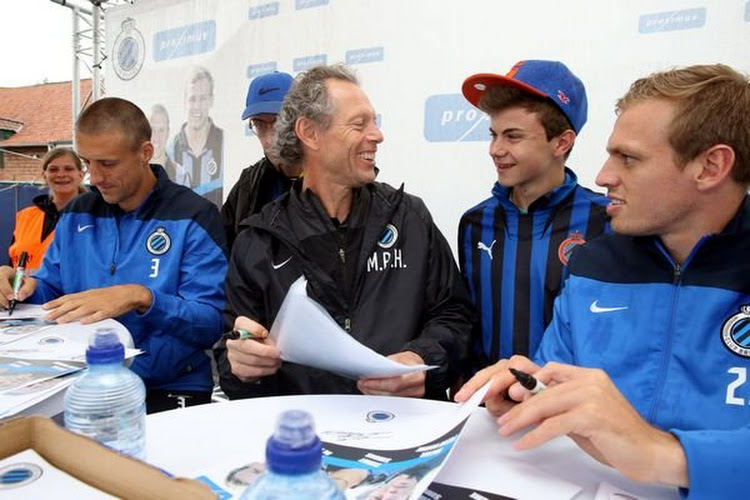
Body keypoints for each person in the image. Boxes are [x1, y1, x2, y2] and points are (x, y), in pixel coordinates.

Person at [455, 63, 750, 498]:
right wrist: (528, 392)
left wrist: (665, 454)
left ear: (710, 167)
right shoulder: (593, 265)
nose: (603, 176)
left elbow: (644, 448)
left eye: (628, 158)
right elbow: (555, 384)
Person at [215, 64, 472, 400]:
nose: (377, 135)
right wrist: (241, 364)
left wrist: (423, 359)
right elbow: (231, 354)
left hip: (401, 432)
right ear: (309, 133)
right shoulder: (258, 240)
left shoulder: (409, 218)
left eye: (375, 121)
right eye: (359, 124)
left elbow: (455, 316)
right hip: (306, 439)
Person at [0, 97, 228, 413]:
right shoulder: (78, 212)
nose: (95, 177)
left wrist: (142, 297)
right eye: (87, 162)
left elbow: (211, 322)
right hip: (83, 385)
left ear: (145, 152)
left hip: (168, 386)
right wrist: (22, 286)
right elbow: (52, 289)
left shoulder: (193, 215)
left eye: (107, 163)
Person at [458, 60, 609, 370]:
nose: (495, 149)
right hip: (486, 410)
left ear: (562, 142)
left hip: (565, 412)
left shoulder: (607, 222)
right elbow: (465, 322)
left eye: (513, 137)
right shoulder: (474, 223)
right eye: (493, 134)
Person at [221, 71, 301, 249]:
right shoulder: (248, 183)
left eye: (277, 122)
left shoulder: (327, 180)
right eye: (259, 125)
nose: (268, 139)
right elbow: (221, 250)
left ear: (299, 120)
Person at [8, 147, 86, 270]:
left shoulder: (94, 217)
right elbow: (12, 264)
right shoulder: (25, 216)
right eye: (53, 169)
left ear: (81, 175)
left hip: (72, 290)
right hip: (22, 288)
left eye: (68, 169)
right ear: (44, 176)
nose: (61, 174)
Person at [167, 66, 224, 207]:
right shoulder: (170, 150)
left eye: (203, 98)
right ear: (184, 101)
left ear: (211, 100)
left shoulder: (225, 143)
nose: (197, 106)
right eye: (192, 99)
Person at [148, 104, 179, 181]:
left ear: (167, 133)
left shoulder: (181, 175)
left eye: (161, 130)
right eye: (152, 130)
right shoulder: (132, 174)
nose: (156, 137)